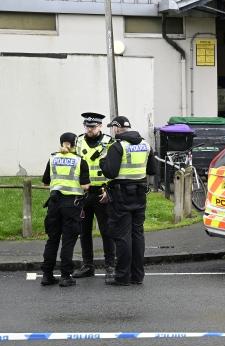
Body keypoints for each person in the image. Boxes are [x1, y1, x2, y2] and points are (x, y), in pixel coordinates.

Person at [100, 116, 156, 286]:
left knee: (122, 236)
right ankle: (137, 276)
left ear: (116, 128)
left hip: (121, 195)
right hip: (140, 194)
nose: (112, 131)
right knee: (137, 234)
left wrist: (103, 161)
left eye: (112, 128)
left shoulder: (118, 146)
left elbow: (110, 172)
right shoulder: (145, 144)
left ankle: (122, 276)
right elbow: (152, 170)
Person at [41, 132, 90, 287]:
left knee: (52, 240)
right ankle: (65, 276)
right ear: (75, 144)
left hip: (54, 203)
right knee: (68, 241)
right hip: (72, 205)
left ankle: (47, 275)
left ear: (61, 143)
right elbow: (85, 186)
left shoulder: (52, 158)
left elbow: (45, 182)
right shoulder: (79, 160)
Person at [72, 112, 116, 278]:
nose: (89, 129)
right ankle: (88, 265)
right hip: (83, 193)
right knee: (84, 232)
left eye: (93, 126)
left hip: (101, 192)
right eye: (87, 126)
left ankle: (110, 266)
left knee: (107, 231)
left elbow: (113, 168)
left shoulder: (109, 143)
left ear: (100, 126)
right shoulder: (78, 141)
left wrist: (109, 190)